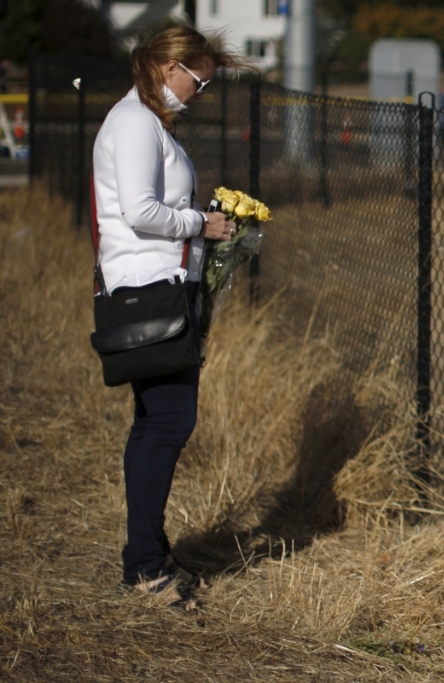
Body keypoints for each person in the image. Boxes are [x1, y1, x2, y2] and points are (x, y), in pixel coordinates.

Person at [92, 26, 246, 610]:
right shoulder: (134, 122)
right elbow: (140, 210)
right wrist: (198, 225)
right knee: (168, 423)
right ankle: (144, 567)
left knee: (156, 422)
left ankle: (150, 552)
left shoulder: (147, 121)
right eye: (198, 79)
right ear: (167, 66)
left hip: (158, 287)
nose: (201, 91)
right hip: (148, 292)